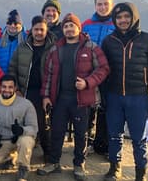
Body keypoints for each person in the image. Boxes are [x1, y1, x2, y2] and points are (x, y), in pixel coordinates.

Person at [37, 13, 109, 181]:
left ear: (79, 27)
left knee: (81, 133)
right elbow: (48, 74)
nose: (69, 29)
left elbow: (104, 68)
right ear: (63, 29)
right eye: (66, 26)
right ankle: (54, 162)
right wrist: (46, 96)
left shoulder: (91, 47)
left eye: (72, 26)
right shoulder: (56, 48)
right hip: (60, 99)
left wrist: (88, 82)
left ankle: (79, 164)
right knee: (57, 132)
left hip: (81, 100)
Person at [101, 2, 148, 181]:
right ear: (114, 20)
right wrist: (103, 97)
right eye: (119, 17)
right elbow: (103, 70)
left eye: (127, 17)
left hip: (139, 97)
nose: (123, 20)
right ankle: (114, 168)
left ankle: (141, 173)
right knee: (114, 135)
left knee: (139, 139)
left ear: (134, 18)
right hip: (114, 96)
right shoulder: (109, 41)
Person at [9, 15, 56, 162]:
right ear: (31, 30)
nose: (39, 33)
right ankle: (15, 152)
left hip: (45, 92)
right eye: (36, 29)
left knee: (42, 124)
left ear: (46, 30)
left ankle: (48, 152)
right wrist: (15, 89)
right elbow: (12, 68)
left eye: (42, 29)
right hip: (25, 90)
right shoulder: (22, 47)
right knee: (20, 121)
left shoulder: (54, 47)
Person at [0, 75, 38, 181]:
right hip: (4, 139)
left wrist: (22, 130)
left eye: (10, 87)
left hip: (21, 138)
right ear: (0, 87)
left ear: (15, 88)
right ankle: (11, 157)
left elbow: (34, 128)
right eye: (4, 87)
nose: (7, 90)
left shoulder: (26, 104)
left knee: (26, 141)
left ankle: (23, 168)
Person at [82, 0, 115, 155]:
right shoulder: (86, 24)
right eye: (99, 4)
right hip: (89, 73)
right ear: (95, 5)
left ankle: (103, 144)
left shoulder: (116, 24)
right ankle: (87, 142)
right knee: (89, 109)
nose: (102, 7)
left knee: (106, 109)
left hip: (109, 74)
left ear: (111, 5)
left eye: (106, 4)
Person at [0, 9, 27, 73]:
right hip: (3, 76)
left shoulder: (26, 38)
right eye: (9, 23)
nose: (12, 26)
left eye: (15, 23)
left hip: (19, 76)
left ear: (20, 24)